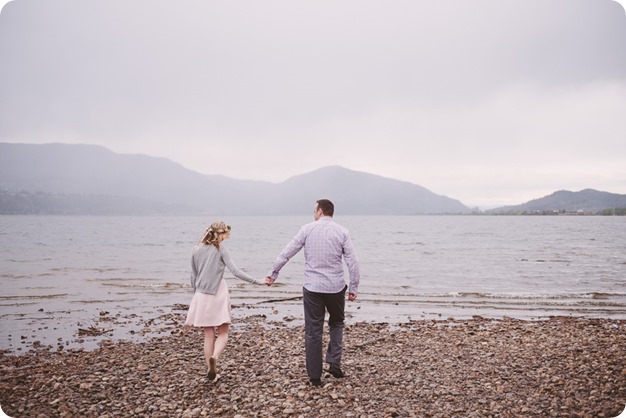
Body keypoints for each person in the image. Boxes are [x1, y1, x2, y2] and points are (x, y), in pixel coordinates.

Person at [266, 199, 360, 387]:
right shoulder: (342, 231)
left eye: (314, 210)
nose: (313, 213)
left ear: (319, 211)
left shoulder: (307, 229)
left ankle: (315, 376)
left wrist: (273, 273)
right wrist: (354, 287)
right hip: (335, 287)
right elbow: (353, 262)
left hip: (312, 287)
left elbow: (287, 252)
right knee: (337, 323)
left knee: (313, 330)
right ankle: (333, 362)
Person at [185, 221, 271, 382]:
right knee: (223, 332)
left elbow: (193, 276)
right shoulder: (221, 250)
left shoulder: (195, 250)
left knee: (208, 335)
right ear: (222, 234)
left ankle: (211, 371)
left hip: (202, 294)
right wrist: (258, 281)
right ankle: (215, 358)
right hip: (218, 293)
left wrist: (196, 295)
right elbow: (236, 271)